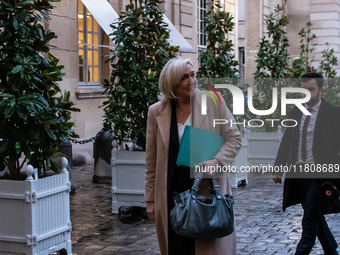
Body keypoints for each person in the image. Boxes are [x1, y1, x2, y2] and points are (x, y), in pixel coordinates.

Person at [145, 57, 242, 255]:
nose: (191, 81)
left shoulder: (213, 102)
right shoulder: (156, 112)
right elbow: (152, 160)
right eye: (184, 77)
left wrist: (217, 161)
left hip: (205, 192)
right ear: (171, 83)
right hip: (171, 194)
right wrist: (150, 200)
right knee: (176, 247)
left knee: (205, 248)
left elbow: (234, 138)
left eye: (192, 75)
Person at [273, 72, 340, 255]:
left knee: (309, 219)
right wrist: (278, 168)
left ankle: (301, 252)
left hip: (319, 175)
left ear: (321, 90)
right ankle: (331, 251)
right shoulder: (296, 111)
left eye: (311, 90)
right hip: (298, 174)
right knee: (315, 214)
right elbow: (287, 140)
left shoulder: (333, 113)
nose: (307, 94)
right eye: (303, 90)